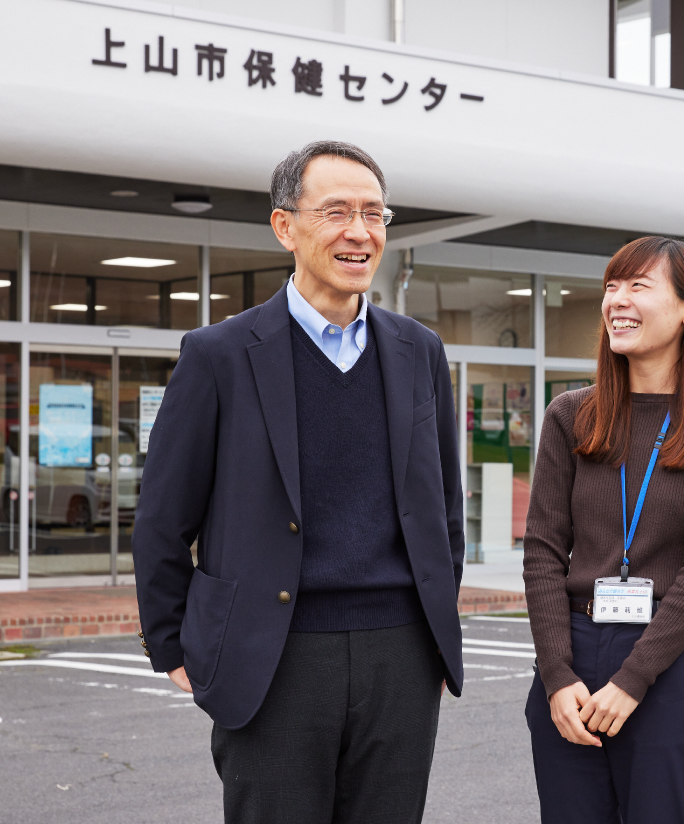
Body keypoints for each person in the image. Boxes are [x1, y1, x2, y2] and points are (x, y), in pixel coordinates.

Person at [133, 140, 465, 824]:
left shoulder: (418, 352)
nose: (359, 231)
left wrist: (435, 631)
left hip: (399, 652)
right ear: (285, 226)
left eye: (375, 213)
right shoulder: (219, 355)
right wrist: (172, 643)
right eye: (337, 211)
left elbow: (444, 510)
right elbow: (165, 517)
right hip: (272, 656)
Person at [523, 236, 684, 823]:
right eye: (611, 287)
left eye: (638, 286)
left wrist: (632, 679)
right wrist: (556, 675)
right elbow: (544, 552)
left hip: (663, 661)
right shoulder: (570, 414)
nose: (617, 301)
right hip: (571, 660)